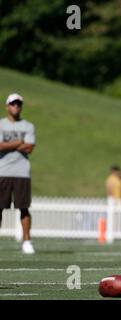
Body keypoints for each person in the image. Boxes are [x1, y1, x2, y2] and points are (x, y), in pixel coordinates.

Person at [0, 93, 36, 254]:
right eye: (13, 104)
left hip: (22, 172)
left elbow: (30, 148)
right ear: (7, 106)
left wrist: (9, 144)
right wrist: (19, 142)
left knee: (24, 207)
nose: (16, 107)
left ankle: (27, 241)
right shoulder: (1, 124)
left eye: (18, 104)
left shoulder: (28, 126)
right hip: (3, 171)